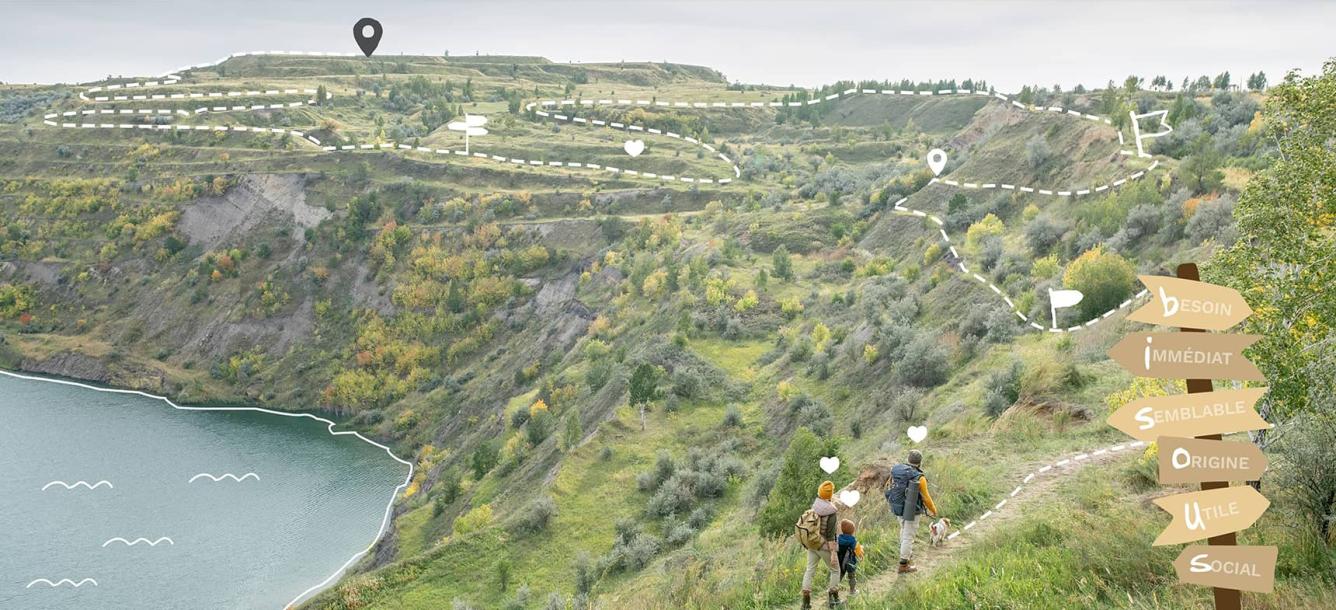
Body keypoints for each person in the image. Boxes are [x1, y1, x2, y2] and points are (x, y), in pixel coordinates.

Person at [884, 449, 939, 574]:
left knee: (903, 531)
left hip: (897, 507)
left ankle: (907, 556)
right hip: (911, 510)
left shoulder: (896, 469)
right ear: (920, 463)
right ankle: (903, 565)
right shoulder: (920, 477)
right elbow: (926, 498)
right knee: (908, 536)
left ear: (908, 459)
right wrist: (934, 510)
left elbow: (889, 485)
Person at [800, 480, 841, 609]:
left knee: (810, 570)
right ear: (830, 495)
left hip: (812, 544)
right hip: (823, 546)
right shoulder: (831, 512)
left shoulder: (815, 506)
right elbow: (830, 536)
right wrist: (833, 553)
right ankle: (833, 599)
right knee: (835, 570)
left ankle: (806, 602)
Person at [836, 519, 863, 597]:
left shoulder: (838, 538)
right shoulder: (853, 540)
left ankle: (833, 590)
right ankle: (852, 591)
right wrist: (861, 556)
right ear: (852, 531)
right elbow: (858, 551)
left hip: (839, 561)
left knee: (838, 576)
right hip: (850, 563)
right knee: (852, 577)